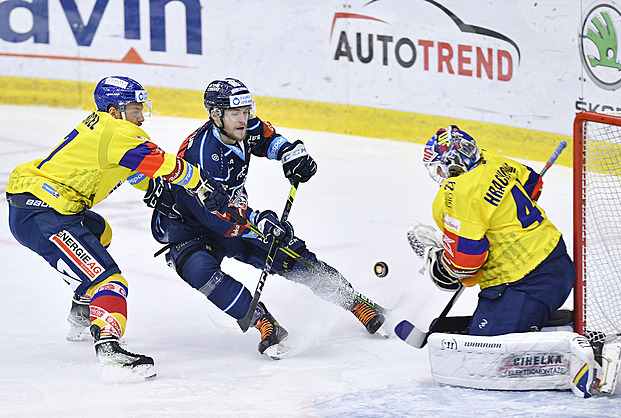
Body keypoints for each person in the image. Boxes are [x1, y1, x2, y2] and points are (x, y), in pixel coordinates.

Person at [144, 77, 386, 359]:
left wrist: (290, 154)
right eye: (235, 113)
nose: (243, 119)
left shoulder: (241, 126)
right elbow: (217, 215)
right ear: (215, 115)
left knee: (288, 253)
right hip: (187, 228)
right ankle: (264, 322)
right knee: (201, 272)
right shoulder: (202, 156)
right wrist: (260, 221)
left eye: (246, 111)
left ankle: (357, 304)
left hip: (229, 212)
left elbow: (268, 139)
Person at [6, 76, 228, 381]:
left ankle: (84, 307)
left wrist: (153, 190)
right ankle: (109, 350)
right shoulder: (118, 130)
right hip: (45, 214)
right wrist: (201, 186)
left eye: (142, 108)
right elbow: (163, 163)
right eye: (134, 109)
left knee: (100, 232)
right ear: (113, 110)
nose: (141, 116)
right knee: (110, 282)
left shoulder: (106, 129)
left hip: (46, 207)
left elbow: (131, 169)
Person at [408, 125, 575, 336]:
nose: (439, 174)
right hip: (559, 263)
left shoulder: (457, 193)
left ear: (452, 164)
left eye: (439, 167)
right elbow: (533, 184)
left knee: (481, 354)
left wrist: (443, 264)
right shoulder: (493, 161)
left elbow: (465, 264)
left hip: (524, 284)